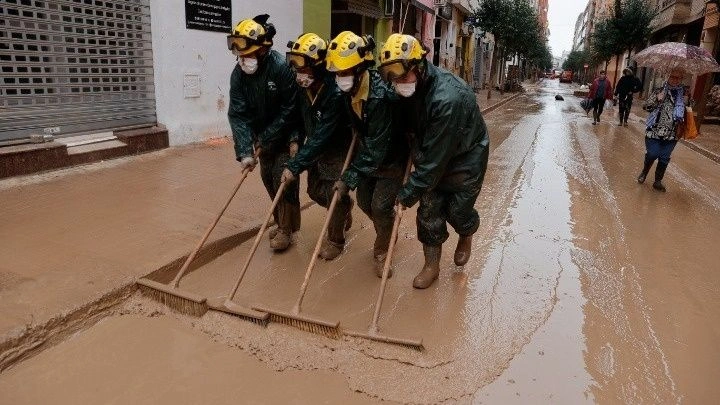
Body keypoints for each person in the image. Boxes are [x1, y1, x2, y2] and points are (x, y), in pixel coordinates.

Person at [378, 34, 490, 289]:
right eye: (391, 77)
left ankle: (467, 230)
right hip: (430, 149)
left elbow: (433, 163)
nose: (397, 83)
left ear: (418, 67)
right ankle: (432, 265)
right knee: (429, 210)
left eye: (401, 76)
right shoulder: (406, 86)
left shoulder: (447, 99)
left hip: (466, 156)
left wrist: (407, 193)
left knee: (457, 211)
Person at [326, 31, 409, 277]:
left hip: (391, 158)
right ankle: (388, 229)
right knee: (364, 202)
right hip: (368, 155)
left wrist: (347, 179)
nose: (340, 77)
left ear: (361, 68)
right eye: (337, 73)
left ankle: (382, 250)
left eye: (345, 72)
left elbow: (377, 148)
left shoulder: (380, 95)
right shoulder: (347, 91)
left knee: (380, 206)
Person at [226, 14, 301, 251]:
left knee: (284, 181)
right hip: (262, 139)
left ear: (262, 50)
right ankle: (281, 222)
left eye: (246, 54)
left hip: (287, 135)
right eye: (239, 54)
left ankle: (287, 231)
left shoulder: (280, 68)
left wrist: (269, 137)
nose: (242, 59)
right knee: (268, 180)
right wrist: (245, 150)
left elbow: (291, 109)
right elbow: (238, 114)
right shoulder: (238, 75)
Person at [280, 33, 354, 260]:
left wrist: (295, 166)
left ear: (319, 65)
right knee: (314, 191)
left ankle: (336, 240)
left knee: (334, 194)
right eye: (295, 64)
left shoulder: (334, 92)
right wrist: (295, 140)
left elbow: (324, 134)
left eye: (303, 65)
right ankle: (344, 207)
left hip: (336, 148)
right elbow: (298, 118)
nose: (298, 72)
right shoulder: (304, 87)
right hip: (315, 147)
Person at [638, 69, 686, 192]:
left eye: (678, 78)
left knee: (664, 157)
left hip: (672, 133)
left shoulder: (684, 94)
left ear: (681, 79)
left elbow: (688, 111)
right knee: (652, 154)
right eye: (673, 77)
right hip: (654, 130)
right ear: (668, 77)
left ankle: (658, 181)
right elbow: (646, 106)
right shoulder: (659, 90)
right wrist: (657, 100)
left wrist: (688, 104)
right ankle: (644, 171)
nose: (675, 80)